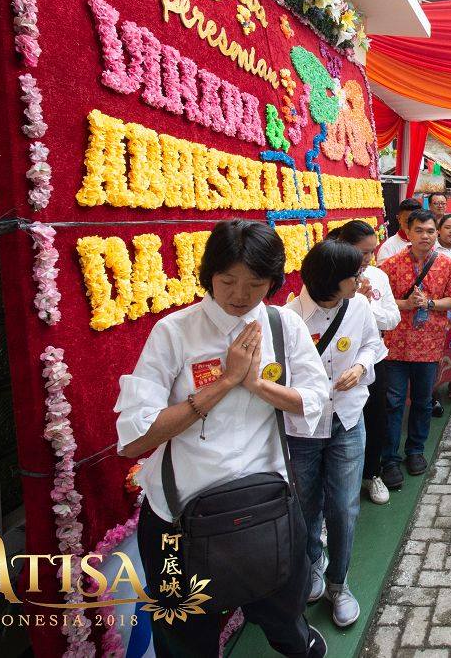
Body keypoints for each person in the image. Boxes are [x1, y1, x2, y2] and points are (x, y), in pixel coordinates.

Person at [115, 220, 329, 657]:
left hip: (266, 505)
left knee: (283, 611)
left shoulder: (283, 325)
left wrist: (257, 385)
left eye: (255, 283)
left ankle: (301, 646)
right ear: (208, 274)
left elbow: (314, 398)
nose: (240, 295)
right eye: (228, 280)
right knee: (183, 633)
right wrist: (225, 382)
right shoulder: (175, 331)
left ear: (273, 282)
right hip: (179, 517)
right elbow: (135, 440)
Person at [285, 239, 383, 626]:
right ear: (330, 280)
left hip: (347, 419)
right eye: (354, 276)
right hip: (302, 428)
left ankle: (339, 584)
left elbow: (373, 344)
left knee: (343, 507)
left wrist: (359, 367)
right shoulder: (289, 318)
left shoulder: (358, 306)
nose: (361, 281)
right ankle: (313, 563)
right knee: (305, 504)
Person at [379, 209, 451, 490]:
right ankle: (389, 459)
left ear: (436, 233)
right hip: (396, 346)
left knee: (423, 401)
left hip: (429, 345)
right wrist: (406, 304)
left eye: (429, 231)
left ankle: (415, 450)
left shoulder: (447, 265)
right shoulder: (390, 265)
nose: (425, 236)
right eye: (419, 230)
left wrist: (429, 304)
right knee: (393, 403)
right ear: (408, 232)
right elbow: (381, 302)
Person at [328, 220, 400, 504]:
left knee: (375, 417)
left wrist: (366, 306)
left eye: (372, 252)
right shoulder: (329, 276)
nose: (368, 258)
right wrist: (352, 300)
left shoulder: (378, 277)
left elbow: (392, 319)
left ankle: (372, 473)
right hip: (338, 362)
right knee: (339, 421)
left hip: (373, 358)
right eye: (362, 252)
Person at [377, 197, 422, 262]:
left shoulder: (427, 242)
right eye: (408, 221)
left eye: (416, 221)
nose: (412, 225)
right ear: (398, 219)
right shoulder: (388, 247)